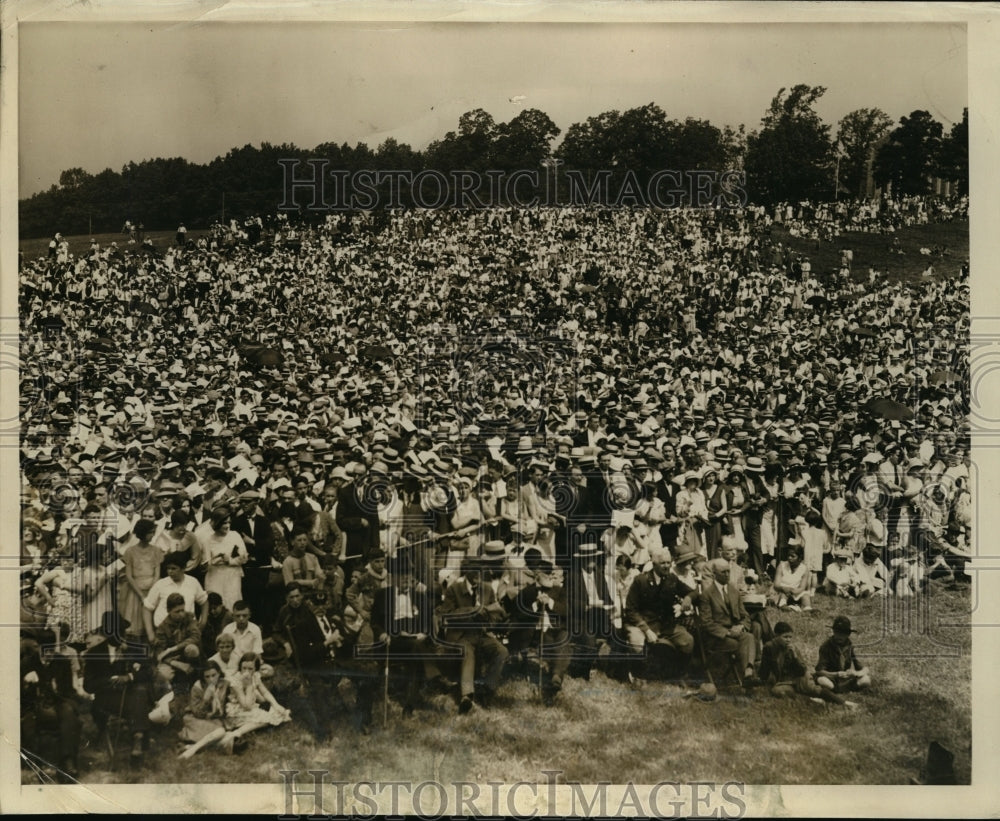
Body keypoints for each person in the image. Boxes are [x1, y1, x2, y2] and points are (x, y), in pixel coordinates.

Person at [437, 557, 509, 713]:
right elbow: (445, 615)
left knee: (502, 651)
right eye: (474, 571)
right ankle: (467, 696)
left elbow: (496, 616)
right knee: (467, 652)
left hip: (482, 634)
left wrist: (489, 617)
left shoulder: (488, 589)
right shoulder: (454, 590)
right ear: (466, 572)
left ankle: (488, 690)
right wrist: (471, 611)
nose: (478, 575)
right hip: (461, 635)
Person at [82, 612, 155, 764]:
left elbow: (148, 672)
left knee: (139, 693)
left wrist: (129, 677)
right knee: (138, 699)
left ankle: (137, 740)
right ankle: (140, 736)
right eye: (117, 632)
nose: (121, 635)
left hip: (131, 694)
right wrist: (109, 681)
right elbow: (88, 685)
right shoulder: (94, 653)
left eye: (122, 631)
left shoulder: (135, 649)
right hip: (107, 699)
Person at [623, 547, 695, 680]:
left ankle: (677, 675)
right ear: (654, 564)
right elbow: (630, 610)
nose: (667, 566)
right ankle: (638, 676)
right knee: (637, 643)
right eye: (663, 563)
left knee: (687, 641)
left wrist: (688, 598)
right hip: (641, 623)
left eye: (668, 562)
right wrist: (646, 630)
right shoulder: (641, 580)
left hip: (664, 625)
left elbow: (693, 592)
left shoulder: (671, 579)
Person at [21, 629, 83, 780]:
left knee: (68, 711)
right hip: (36, 704)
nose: (49, 655)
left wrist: (57, 689)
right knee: (56, 716)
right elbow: (19, 696)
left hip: (58, 701)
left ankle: (67, 762)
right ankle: (56, 762)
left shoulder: (62, 661)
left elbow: (68, 690)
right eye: (45, 651)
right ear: (38, 647)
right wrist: (27, 683)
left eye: (51, 650)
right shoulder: (28, 663)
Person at [758, 622, 853, 707]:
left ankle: (844, 703)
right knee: (779, 691)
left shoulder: (793, 648)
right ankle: (811, 700)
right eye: (785, 637)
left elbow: (802, 670)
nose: (788, 640)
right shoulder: (769, 647)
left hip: (798, 677)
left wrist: (795, 657)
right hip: (782, 680)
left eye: (790, 637)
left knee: (814, 689)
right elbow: (764, 670)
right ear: (776, 636)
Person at [698, 557, 757, 684]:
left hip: (735, 631)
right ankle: (746, 675)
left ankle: (748, 673)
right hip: (716, 637)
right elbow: (706, 623)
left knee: (749, 637)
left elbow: (745, 615)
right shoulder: (707, 595)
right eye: (723, 572)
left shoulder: (733, 591)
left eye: (728, 571)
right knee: (736, 643)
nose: (727, 575)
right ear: (714, 575)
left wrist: (740, 627)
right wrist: (728, 632)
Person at [219, 653, 291, 754]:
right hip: (236, 711)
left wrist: (276, 704)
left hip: (249, 707)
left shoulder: (255, 676)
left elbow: (264, 692)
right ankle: (237, 733)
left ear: (255, 669)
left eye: (250, 669)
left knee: (278, 711)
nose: (246, 671)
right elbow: (246, 705)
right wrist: (248, 686)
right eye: (244, 668)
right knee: (267, 718)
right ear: (240, 667)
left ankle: (245, 727)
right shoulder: (236, 680)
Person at [143, 553, 209, 640]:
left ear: (183, 568)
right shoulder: (161, 584)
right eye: (168, 568)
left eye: (174, 568)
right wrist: (150, 634)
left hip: (187, 632)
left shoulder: (192, 582)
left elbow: (204, 601)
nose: (170, 571)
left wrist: (203, 622)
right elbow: (147, 608)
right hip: (164, 632)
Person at [177, 661, 229, 758]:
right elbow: (197, 713)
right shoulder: (197, 687)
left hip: (214, 719)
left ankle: (190, 747)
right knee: (221, 733)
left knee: (223, 735)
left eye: (214, 675)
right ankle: (191, 751)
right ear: (203, 677)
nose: (211, 679)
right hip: (195, 718)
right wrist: (206, 699)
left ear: (219, 673)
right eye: (207, 676)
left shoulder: (224, 684)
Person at [202, 507, 248, 610]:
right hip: (215, 576)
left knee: (232, 602)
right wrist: (212, 561)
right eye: (224, 523)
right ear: (217, 523)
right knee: (216, 604)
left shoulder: (235, 536)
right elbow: (206, 561)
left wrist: (230, 561)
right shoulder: (208, 540)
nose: (227, 526)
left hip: (232, 576)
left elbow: (244, 558)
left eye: (229, 522)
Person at [815, 615, 871, 698]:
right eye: (837, 632)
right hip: (831, 678)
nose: (839, 636)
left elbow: (865, 669)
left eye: (843, 633)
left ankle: (843, 689)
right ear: (833, 632)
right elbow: (819, 671)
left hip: (845, 679)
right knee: (823, 681)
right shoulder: (826, 646)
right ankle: (833, 690)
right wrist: (836, 674)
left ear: (848, 634)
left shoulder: (850, 646)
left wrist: (855, 673)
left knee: (866, 680)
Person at [770, 544, 814, 611]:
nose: (789, 558)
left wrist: (794, 591)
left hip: (795, 592)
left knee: (805, 595)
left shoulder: (804, 569)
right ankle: (783, 606)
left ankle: (807, 608)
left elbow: (802, 587)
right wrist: (784, 588)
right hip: (782, 590)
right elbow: (776, 584)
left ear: (800, 557)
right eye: (788, 555)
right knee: (783, 595)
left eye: (792, 556)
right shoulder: (782, 565)